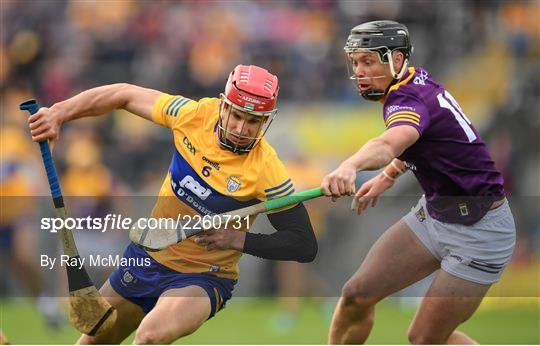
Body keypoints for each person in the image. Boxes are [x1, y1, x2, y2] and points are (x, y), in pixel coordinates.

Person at [28, 64, 317, 344]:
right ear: (223, 106)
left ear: (265, 121)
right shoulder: (192, 115)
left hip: (203, 278)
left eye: (253, 121)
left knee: (150, 336)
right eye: (237, 116)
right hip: (146, 258)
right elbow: (124, 94)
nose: (242, 129)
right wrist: (59, 113)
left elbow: (303, 244)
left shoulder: (268, 171)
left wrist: (237, 239)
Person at [321, 20, 515, 344]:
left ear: (396, 60)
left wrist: (349, 166)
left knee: (424, 339)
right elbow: (428, 141)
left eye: (368, 61)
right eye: (356, 62)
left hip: (480, 232)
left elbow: (389, 143)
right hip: (436, 214)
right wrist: (389, 174)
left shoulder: (406, 99)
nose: (360, 70)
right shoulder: (415, 81)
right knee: (356, 295)